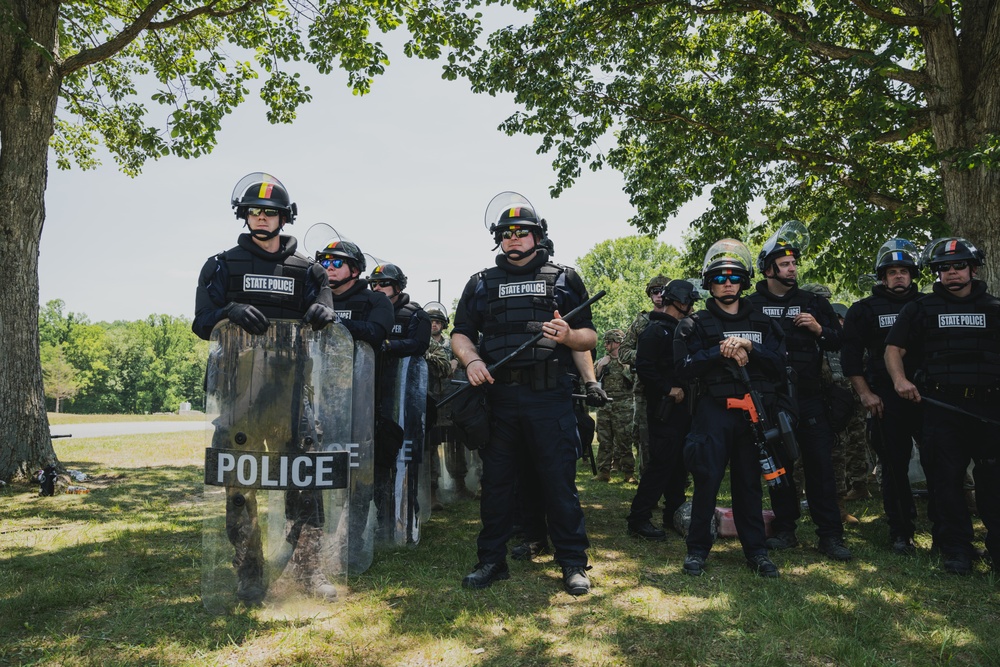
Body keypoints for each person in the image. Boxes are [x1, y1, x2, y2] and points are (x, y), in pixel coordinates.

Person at [194, 172, 337, 604]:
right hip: (239, 393)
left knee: (306, 482)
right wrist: (229, 310)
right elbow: (202, 322)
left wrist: (322, 309)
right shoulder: (221, 265)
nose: (261, 219)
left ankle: (309, 571)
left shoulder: (309, 271)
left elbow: (327, 308)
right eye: (254, 212)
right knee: (240, 487)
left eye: (269, 213)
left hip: (293, 395)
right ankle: (249, 573)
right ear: (244, 215)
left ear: (284, 218)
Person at [451, 191, 597, 595]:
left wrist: (569, 334)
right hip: (499, 399)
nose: (513, 238)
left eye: (522, 232)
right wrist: (472, 361)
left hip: (549, 399)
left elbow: (589, 336)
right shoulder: (480, 283)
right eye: (505, 233)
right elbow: (460, 333)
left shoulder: (565, 277)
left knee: (558, 482)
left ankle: (572, 562)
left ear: (538, 236)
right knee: (497, 485)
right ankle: (491, 561)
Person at [884, 237, 1000, 574]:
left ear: (973, 269)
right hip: (942, 409)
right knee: (946, 482)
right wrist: (899, 380)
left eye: (958, 266)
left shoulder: (994, 308)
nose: (951, 273)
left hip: (990, 411)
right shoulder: (920, 308)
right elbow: (893, 349)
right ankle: (957, 549)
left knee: (993, 483)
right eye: (944, 268)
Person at [674, 239, 787, 578]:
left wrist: (751, 346)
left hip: (753, 413)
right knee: (706, 481)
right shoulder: (694, 324)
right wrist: (719, 351)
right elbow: (682, 368)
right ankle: (697, 551)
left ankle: (757, 552)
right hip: (714, 412)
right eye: (720, 278)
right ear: (709, 283)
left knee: (749, 483)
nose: (727, 283)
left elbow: (780, 366)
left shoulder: (764, 323)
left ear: (744, 282)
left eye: (734, 278)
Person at [746, 222, 852, 561]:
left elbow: (839, 342)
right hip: (771, 399)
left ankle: (831, 536)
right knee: (779, 469)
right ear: (768, 268)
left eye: (794, 263)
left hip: (810, 398)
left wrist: (820, 328)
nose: (793, 268)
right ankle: (785, 529)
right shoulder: (750, 304)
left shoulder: (813, 302)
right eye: (786, 263)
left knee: (820, 466)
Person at [842, 240, 929, 555]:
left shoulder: (928, 304)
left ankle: (948, 531)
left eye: (903, 271)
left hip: (929, 397)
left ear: (912, 275)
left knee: (941, 463)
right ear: (882, 277)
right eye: (892, 272)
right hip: (885, 399)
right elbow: (850, 359)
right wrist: (865, 394)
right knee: (894, 466)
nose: (898, 277)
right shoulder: (863, 310)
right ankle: (901, 531)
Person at [626, 279, 698, 540]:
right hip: (665, 407)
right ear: (680, 302)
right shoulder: (655, 331)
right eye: (689, 302)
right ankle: (639, 518)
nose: (691, 307)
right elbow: (645, 367)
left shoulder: (679, 329)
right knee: (661, 463)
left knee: (679, 463)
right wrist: (668, 389)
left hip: (682, 409)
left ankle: (673, 512)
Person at [368, 262, 432, 541]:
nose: (377, 288)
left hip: (404, 396)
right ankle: (380, 521)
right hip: (371, 394)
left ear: (398, 286)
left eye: (383, 283)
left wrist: (389, 346)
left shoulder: (415, 314)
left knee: (404, 459)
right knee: (376, 461)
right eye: (374, 284)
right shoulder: (369, 309)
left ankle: (406, 522)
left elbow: (419, 345)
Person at [619, 275, 670, 475]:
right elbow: (623, 351)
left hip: (676, 388)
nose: (659, 295)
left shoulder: (682, 318)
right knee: (645, 439)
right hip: (645, 390)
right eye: (654, 292)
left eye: (663, 291)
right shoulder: (641, 321)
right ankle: (648, 487)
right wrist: (646, 355)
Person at [594, 329, 637, 483]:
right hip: (605, 406)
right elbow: (590, 382)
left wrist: (624, 366)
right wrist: (600, 368)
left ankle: (629, 473)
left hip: (624, 406)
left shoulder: (628, 362)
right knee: (604, 441)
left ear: (617, 343)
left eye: (608, 342)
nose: (606, 345)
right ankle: (603, 472)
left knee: (625, 440)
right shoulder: (601, 362)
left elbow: (635, 382)